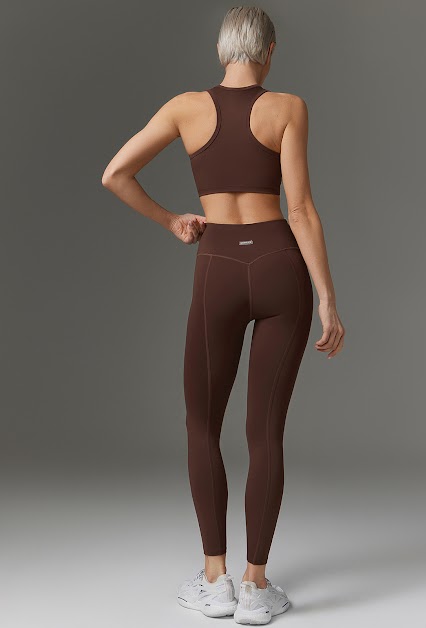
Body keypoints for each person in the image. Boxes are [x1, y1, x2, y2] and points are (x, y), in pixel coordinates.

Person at [102, 6, 345, 625]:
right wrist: (326, 297)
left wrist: (171, 220)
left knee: (201, 424)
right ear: (270, 52)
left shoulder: (185, 107)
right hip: (280, 265)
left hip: (217, 267)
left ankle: (216, 581)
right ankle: (257, 588)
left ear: (222, 51)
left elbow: (115, 174)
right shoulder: (288, 107)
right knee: (265, 432)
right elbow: (302, 209)